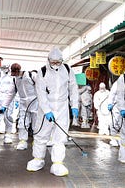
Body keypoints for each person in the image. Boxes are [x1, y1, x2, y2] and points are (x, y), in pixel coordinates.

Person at [26, 47, 79, 177]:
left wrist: (75, 105)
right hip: (46, 109)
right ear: (48, 60)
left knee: (60, 137)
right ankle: (38, 159)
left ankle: (57, 163)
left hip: (62, 108)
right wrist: (47, 110)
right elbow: (40, 93)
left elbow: (73, 88)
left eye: (58, 62)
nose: (55, 65)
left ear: (62, 61)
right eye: (53, 62)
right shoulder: (42, 71)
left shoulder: (67, 70)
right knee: (41, 135)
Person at [11, 63, 38, 150]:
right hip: (23, 103)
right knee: (22, 122)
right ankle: (23, 141)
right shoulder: (15, 79)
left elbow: (41, 87)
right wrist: (4, 105)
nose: (15, 75)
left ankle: (37, 140)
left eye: (16, 73)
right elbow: (12, 93)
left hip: (35, 102)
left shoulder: (32, 75)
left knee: (36, 123)